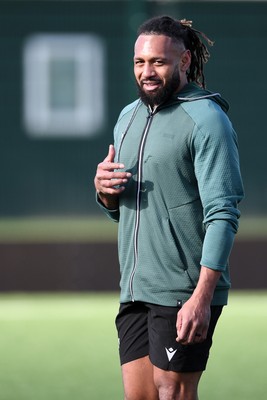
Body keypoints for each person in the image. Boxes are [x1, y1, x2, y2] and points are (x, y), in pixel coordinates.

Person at [94, 15, 244, 400]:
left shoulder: (208, 119)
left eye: (158, 62)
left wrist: (201, 297)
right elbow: (123, 208)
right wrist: (106, 192)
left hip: (183, 290)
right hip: (134, 288)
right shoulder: (127, 117)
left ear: (184, 61)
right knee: (139, 397)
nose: (147, 71)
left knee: (172, 393)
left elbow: (223, 214)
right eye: (139, 62)